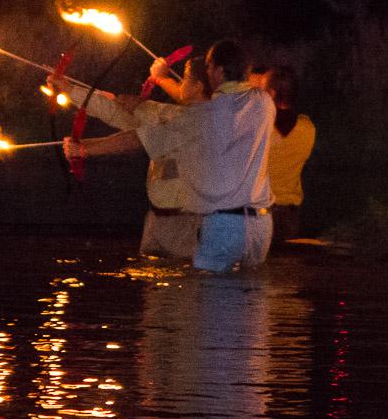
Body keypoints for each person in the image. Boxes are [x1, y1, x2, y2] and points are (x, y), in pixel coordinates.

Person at [66, 39, 275, 273]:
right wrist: (160, 79)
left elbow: (138, 138)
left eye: (208, 68)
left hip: (222, 224)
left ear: (218, 71)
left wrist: (83, 149)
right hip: (261, 225)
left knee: (210, 291)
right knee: (251, 292)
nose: (207, 74)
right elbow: (179, 104)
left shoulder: (200, 117)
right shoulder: (263, 102)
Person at [59, 58, 210, 260]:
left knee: (181, 276)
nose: (180, 84)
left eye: (185, 79)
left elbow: (135, 139)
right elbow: (118, 115)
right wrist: (70, 90)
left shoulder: (196, 120)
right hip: (159, 218)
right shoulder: (178, 117)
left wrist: (84, 149)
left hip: (186, 223)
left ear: (198, 87)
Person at [255, 65, 316, 244]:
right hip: (290, 216)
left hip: (261, 213)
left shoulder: (259, 128)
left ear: (271, 94)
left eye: (261, 90)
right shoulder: (308, 128)